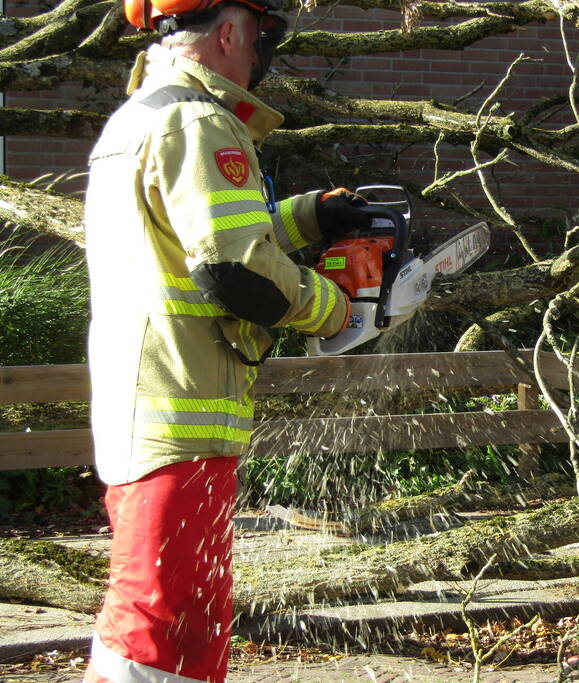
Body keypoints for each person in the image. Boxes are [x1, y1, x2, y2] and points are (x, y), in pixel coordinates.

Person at [82, 1, 367, 680]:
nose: (260, 53)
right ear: (230, 31)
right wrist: (334, 308)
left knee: (170, 622)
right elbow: (235, 271)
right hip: (179, 413)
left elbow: (200, 231)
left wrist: (304, 219)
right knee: (161, 629)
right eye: (261, 33)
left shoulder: (142, 118)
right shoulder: (198, 119)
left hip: (155, 406)